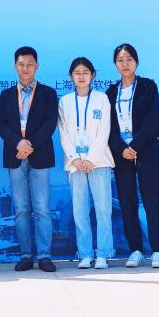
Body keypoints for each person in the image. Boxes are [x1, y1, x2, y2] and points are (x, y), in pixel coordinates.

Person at [0, 46, 59, 272]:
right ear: (15, 66)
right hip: (15, 156)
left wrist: (29, 145)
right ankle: (25, 255)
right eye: (21, 64)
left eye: (29, 64)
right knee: (21, 209)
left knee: (42, 208)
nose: (25, 68)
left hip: (39, 155)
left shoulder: (48, 93)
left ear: (37, 66)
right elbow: (1, 123)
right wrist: (18, 143)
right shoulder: (6, 95)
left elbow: (50, 124)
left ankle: (44, 255)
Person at [105, 43, 159, 269]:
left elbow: (153, 121)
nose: (125, 64)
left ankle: (157, 250)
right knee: (127, 202)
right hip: (121, 155)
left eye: (129, 59)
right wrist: (122, 148)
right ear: (115, 64)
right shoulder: (111, 92)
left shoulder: (148, 86)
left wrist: (135, 146)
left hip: (145, 152)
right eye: (120, 60)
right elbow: (108, 127)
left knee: (152, 201)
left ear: (136, 62)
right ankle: (136, 250)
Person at [57, 57, 114, 270]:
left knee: (103, 210)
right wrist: (75, 158)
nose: (81, 77)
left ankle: (104, 254)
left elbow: (105, 130)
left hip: (99, 162)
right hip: (75, 164)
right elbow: (63, 133)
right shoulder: (65, 101)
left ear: (92, 75)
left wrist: (91, 158)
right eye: (77, 73)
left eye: (85, 72)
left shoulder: (101, 99)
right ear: (71, 76)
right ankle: (85, 254)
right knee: (79, 211)